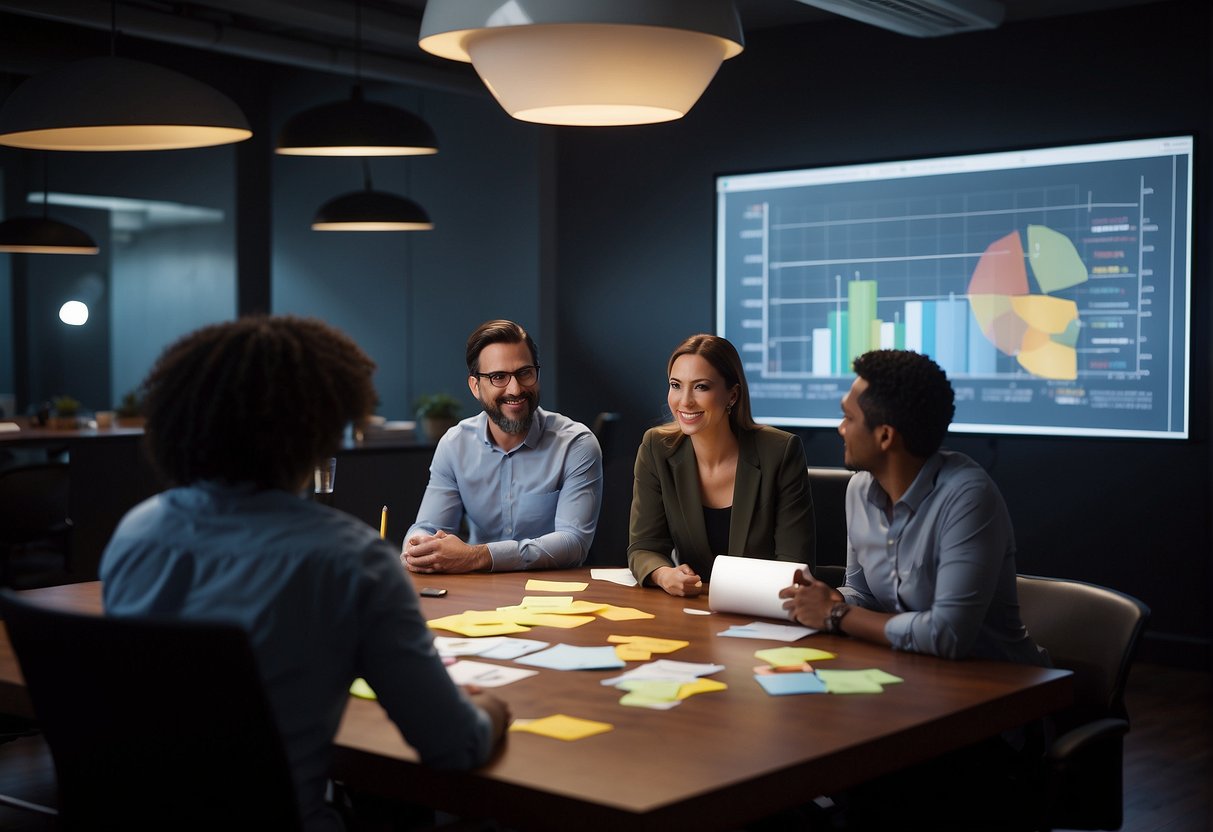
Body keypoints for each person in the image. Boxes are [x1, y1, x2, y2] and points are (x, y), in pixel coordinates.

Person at [100, 316, 509, 832]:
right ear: (321, 427)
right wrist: (492, 708)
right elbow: (455, 745)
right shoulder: (348, 558)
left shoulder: (137, 534)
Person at [779, 348, 1047, 666]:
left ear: (885, 436)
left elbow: (947, 635)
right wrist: (829, 598)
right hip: (917, 673)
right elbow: (863, 594)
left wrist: (836, 614)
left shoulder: (968, 498)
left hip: (1003, 687)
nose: (841, 429)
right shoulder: (859, 489)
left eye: (849, 418)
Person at [403, 319, 602, 573]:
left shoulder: (576, 444)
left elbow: (573, 543)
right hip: (477, 595)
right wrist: (420, 546)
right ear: (475, 386)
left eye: (525, 373)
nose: (515, 388)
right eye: (498, 377)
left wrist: (478, 556)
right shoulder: (455, 445)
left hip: (555, 595)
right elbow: (428, 527)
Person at [628, 334, 815, 596]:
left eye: (701, 387)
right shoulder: (657, 448)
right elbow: (644, 546)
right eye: (676, 385)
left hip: (763, 606)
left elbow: (793, 565)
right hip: (691, 609)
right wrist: (663, 574)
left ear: (732, 395)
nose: (684, 401)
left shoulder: (780, 452)